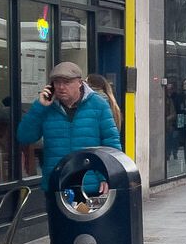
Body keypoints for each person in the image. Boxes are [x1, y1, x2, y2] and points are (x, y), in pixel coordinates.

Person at [16, 62, 122, 195]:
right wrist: (39, 107)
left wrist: (107, 176)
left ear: (79, 82)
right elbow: (24, 136)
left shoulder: (98, 105)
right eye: (56, 82)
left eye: (66, 82)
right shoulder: (46, 108)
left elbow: (111, 143)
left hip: (90, 186)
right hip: (57, 185)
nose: (61, 87)